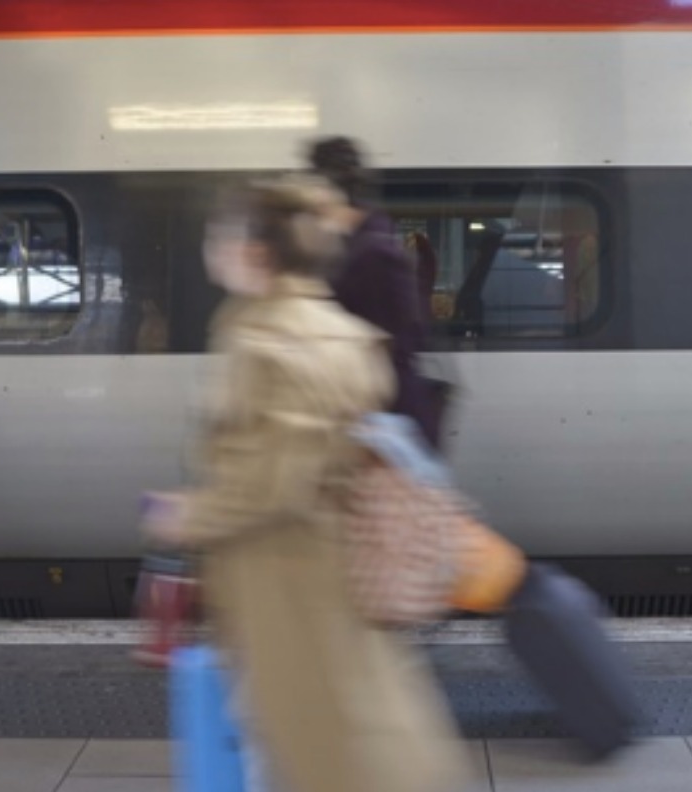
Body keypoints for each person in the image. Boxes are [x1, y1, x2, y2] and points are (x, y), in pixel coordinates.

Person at [142, 175, 469, 792]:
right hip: (328, 575)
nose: (211, 248)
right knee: (352, 728)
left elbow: (271, 486)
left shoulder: (268, 341)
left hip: (290, 587)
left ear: (255, 251)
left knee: (334, 748)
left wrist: (184, 516)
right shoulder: (330, 326)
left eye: (219, 235)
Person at [307, 136, 447, 449]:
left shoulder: (372, 254)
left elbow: (396, 347)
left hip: (388, 429)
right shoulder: (367, 242)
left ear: (327, 191)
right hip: (381, 424)